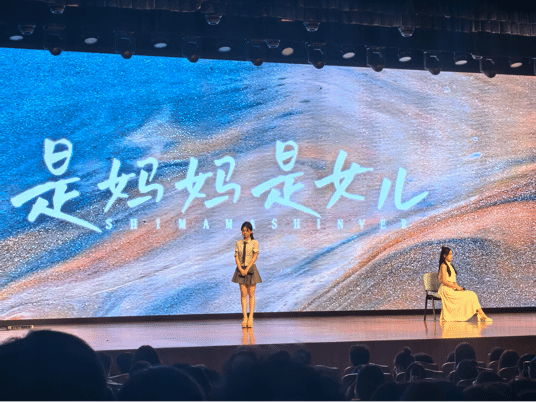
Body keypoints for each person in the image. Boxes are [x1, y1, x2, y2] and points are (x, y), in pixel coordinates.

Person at [437, 246, 491, 322]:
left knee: (472, 294)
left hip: (452, 289)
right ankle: (481, 314)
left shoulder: (450, 265)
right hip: (446, 291)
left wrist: (458, 288)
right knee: (470, 295)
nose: (451, 256)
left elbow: (453, 281)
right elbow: (444, 281)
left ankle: (479, 313)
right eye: (450, 254)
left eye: (452, 254)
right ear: (444, 256)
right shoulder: (443, 266)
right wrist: (456, 287)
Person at [231, 221, 262, 328]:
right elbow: (236, 257)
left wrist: (247, 269)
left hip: (251, 269)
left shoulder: (254, 243)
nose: (244, 233)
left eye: (246, 231)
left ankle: (251, 318)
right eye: (243, 231)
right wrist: (240, 269)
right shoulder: (238, 243)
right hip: (241, 269)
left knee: (251, 294)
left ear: (251, 231)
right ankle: (244, 318)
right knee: (243, 295)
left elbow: (255, 257)